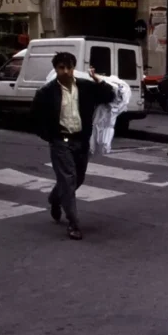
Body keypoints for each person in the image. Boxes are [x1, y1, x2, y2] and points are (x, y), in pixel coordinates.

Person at [30, 52, 115, 240]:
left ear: (74, 68)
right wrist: (51, 137)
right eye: (61, 68)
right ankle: (74, 223)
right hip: (61, 142)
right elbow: (35, 118)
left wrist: (98, 79)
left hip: (81, 140)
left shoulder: (85, 87)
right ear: (56, 69)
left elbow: (109, 96)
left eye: (69, 67)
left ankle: (54, 198)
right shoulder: (46, 92)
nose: (66, 71)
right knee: (68, 180)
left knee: (79, 178)